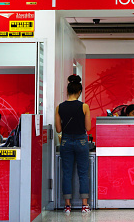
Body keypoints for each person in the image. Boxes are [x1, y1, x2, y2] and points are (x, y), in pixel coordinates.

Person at [55, 75, 91, 215]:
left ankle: (67, 206)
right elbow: (87, 127)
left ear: (67, 91)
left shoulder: (59, 107)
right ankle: (84, 205)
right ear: (79, 92)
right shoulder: (84, 106)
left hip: (66, 141)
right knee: (83, 173)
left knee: (67, 174)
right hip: (81, 141)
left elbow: (58, 129)